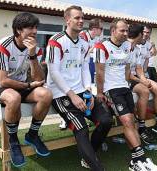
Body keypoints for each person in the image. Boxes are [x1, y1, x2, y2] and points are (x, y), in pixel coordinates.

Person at [46, 6, 112, 171]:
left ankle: (88, 156)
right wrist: (72, 95)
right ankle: (96, 166)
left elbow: (84, 68)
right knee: (81, 128)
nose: (81, 21)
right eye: (77, 18)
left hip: (81, 90)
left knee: (106, 120)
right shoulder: (56, 41)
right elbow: (53, 72)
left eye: (82, 18)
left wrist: (88, 91)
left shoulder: (84, 43)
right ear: (67, 20)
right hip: (60, 94)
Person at [0, 13, 52, 167]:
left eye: (36, 27)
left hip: (20, 84)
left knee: (46, 94)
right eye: (30, 27)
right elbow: (3, 80)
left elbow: (39, 78)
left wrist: (33, 55)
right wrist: (28, 86)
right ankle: (13, 141)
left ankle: (32, 135)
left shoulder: (35, 48)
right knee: (14, 98)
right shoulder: (4, 45)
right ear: (19, 30)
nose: (35, 31)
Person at [94, 19, 157, 171]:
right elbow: (100, 73)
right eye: (122, 30)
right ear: (113, 31)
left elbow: (127, 69)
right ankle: (141, 158)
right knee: (127, 120)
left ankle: (135, 161)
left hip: (124, 88)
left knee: (131, 122)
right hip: (111, 89)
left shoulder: (127, 46)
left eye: (127, 31)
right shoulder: (101, 47)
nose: (126, 33)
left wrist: (128, 84)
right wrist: (99, 92)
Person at [127, 24, 157, 145]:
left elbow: (139, 67)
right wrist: (143, 81)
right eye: (144, 33)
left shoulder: (137, 47)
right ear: (140, 34)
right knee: (145, 91)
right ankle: (142, 127)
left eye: (148, 33)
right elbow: (127, 74)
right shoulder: (125, 46)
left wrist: (144, 79)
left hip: (137, 76)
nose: (146, 35)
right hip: (126, 79)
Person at [79, 18, 103, 84]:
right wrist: (94, 47)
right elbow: (82, 54)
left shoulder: (97, 38)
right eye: (101, 28)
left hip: (90, 64)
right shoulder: (83, 36)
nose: (102, 31)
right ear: (94, 29)